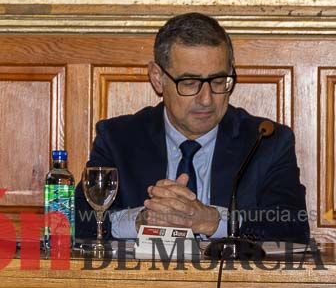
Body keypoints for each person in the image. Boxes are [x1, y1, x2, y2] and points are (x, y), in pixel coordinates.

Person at [75, 12, 309, 243]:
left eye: (218, 81)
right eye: (189, 83)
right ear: (158, 78)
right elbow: (78, 220)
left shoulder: (265, 140)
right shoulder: (119, 139)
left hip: (233, 281)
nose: (206, 99)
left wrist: (213, 220)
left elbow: (292, 224)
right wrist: (142, 219)